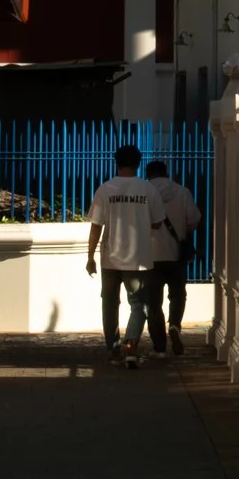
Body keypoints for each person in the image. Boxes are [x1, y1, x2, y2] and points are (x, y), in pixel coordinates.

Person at [85, 147, 157, 365]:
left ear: (116, 162)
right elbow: (158, 221)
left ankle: (113, 350)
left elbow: (96, 226)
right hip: (138, 258)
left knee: (109, 303)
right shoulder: (148, 189)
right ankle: (131, 344)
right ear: (139, 163)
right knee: (139, 303)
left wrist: (90, 257)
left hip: (109, 257)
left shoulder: (105, 189)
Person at [143, 157, 199, 360]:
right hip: (176, 254)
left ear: (148, 174)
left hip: (150, 256)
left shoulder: (144, 193)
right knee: (177, 295)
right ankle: (174, 324)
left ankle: (159, 346)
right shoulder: (182, 191)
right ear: (166, 173)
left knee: (153, 303)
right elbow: (193, 219)